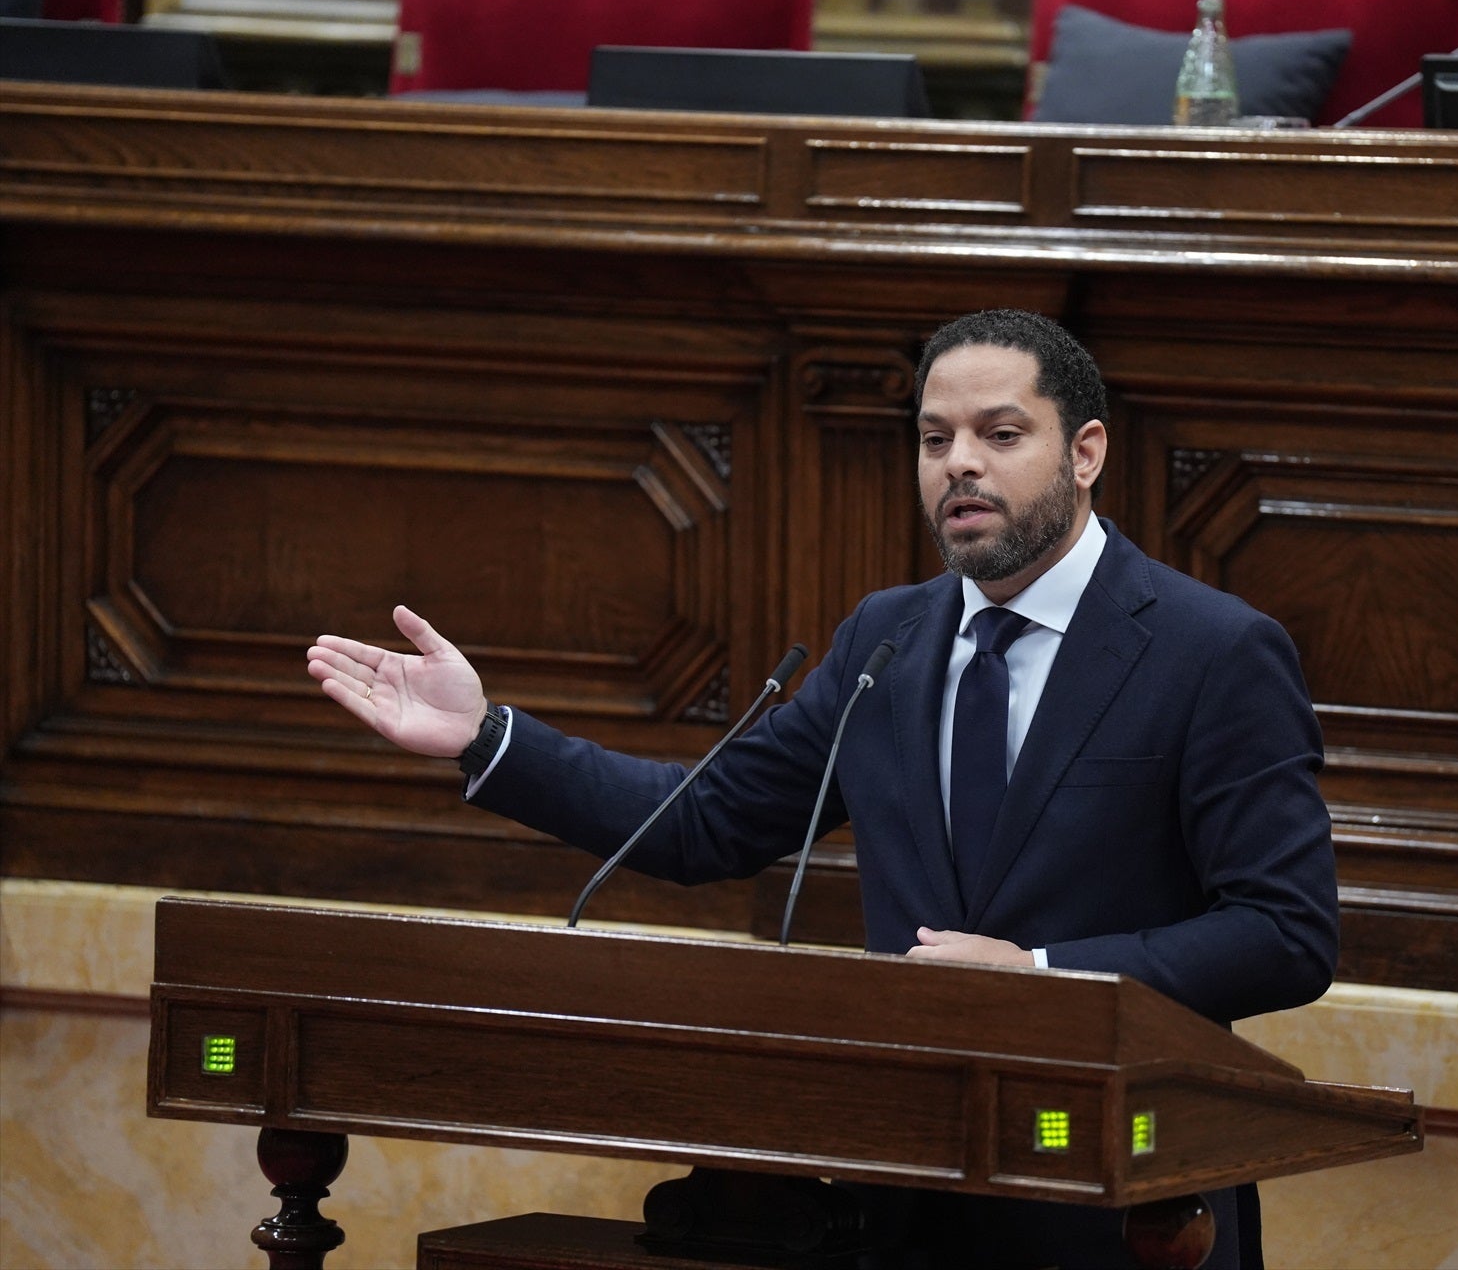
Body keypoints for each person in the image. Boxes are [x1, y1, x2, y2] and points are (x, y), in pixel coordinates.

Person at [307, 309, 1338, 1269]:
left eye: (1000, 432)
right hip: (905, 1193)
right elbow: (708, 820)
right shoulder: (886, 640)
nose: (961, 463)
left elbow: (1285, 931)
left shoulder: (1214, 652)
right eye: (935, 439)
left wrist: (1042, 973)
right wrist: (487, 737)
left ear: (1086, 452)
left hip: (1127, 1210)